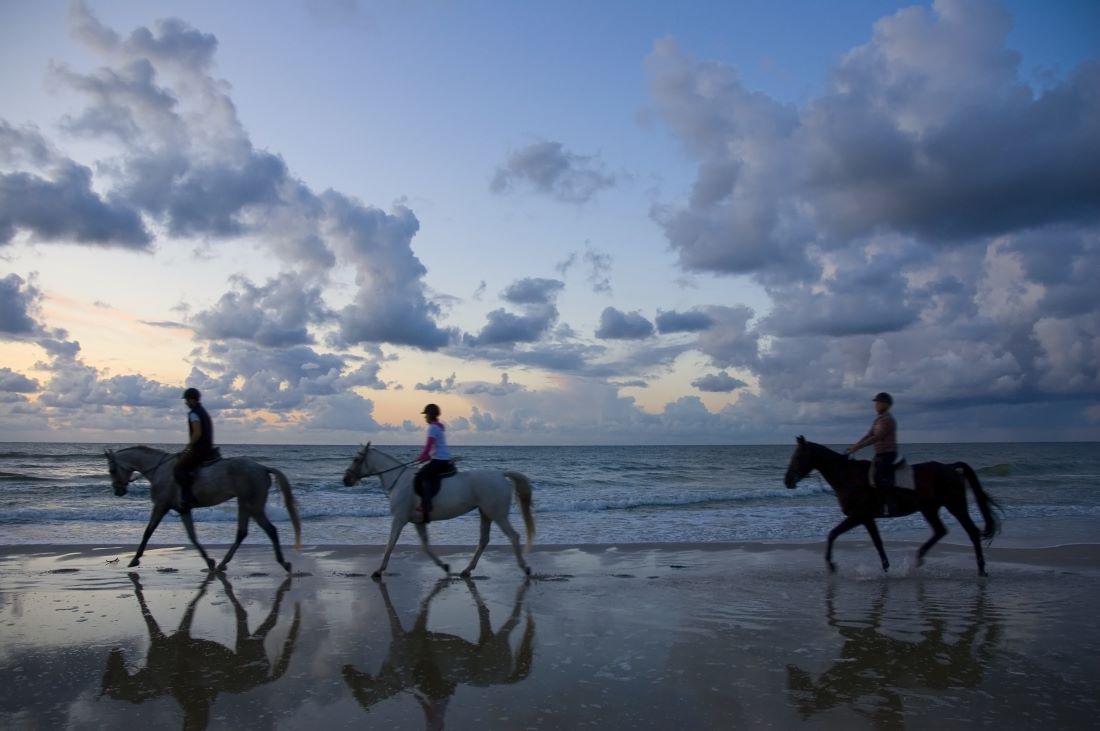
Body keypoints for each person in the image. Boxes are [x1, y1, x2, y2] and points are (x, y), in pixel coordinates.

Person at [846, 392, 898, 515]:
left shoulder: (887, 419)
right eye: (876, 403)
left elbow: (877, 436)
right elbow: (869, 435)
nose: (876, 405)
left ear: (886, 404)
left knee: (878, 477)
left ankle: (888, 505)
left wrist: (858, 446)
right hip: (879, 455)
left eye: (878, 403)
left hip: (888, 454)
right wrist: (856, 445)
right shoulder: (878, 419)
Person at [174, 387, 216, 509]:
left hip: (200, 449)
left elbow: (197, 433)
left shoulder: (194, 414)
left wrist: (188, 446)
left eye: (187, 400)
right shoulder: (202, 411)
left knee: (178, 469)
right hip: (207, 447)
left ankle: (187, 498)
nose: (186, 403)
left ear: (193, 400)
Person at [414, 403, 453, 523]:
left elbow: (428, 445)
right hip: (442, 458)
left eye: (426, 415)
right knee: (425, 473)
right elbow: (433, 448)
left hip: (439, 459)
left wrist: (422, 456)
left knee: (423, 475)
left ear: (430, 415)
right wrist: (426, 456)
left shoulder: (432, 428)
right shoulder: (438, 427)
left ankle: (427, 505)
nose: (425, 417)